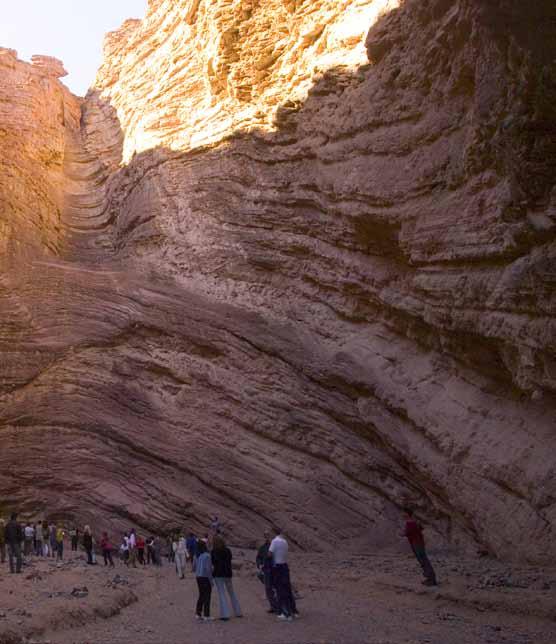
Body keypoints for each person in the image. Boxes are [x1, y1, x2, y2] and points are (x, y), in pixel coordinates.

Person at [402, 508, 437, 586]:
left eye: (404, 513)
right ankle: (430, 578)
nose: (402, 515)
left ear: (407, 514)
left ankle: (431, 579)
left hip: (416, 543)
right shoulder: (414, 522)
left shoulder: (410, 523)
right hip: (418, 543)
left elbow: (407, 532)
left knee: (423, 560)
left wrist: (403, 533)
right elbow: (421, 528)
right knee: (423, 560)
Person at [269, 528, 298, 621]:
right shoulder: (285, 542)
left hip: (278, 567)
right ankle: (294, 611)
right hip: (285, 566)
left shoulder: (274, 541)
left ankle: (286, 614)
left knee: (280, 590)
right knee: (287, 589)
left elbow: (270, 554)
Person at [212, 535, 242, 621]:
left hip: (218, 574)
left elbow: (213, 562)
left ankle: (225, 614)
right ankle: (238, 611)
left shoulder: (214, 551)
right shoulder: (228, 550)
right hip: (227, 573)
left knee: (222, 593)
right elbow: (230, 559)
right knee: (232, 592)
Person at [257, 531, 279, 613]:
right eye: (265, 536)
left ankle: (280, 606)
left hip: (275, 570)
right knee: (268, 589)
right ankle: (273, 606)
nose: (267, 537)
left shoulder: (276, 546)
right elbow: (258, 557)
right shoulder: (262, 548)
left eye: (268, 535)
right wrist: (259, 564)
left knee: (277, 588)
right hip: (266, 571)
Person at [195, 540, 213, 621]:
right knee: (207, 596)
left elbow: (195, 566)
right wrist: (211, 580)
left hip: (198, 577)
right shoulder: (207, 556)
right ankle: (206, 615)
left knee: (201, 595)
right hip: (205, 577)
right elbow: (208, 569)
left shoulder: (198, 555)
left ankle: (198, 613)